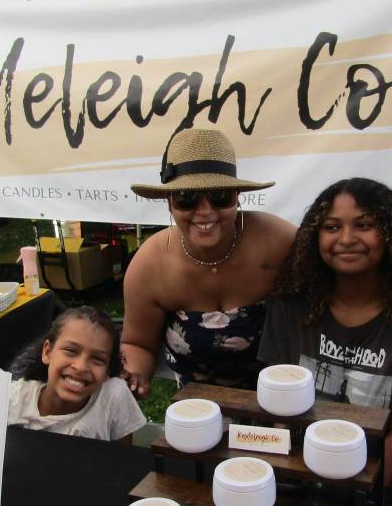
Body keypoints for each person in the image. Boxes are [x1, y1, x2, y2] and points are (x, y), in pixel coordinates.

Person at [258, 177, 392, 501]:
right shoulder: (289, 305)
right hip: (307, 467)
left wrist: (346, 502)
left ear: (391, 233)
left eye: (364, 225)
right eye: (332, 227)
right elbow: (281, 416)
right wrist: (302, 483)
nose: (347, 239)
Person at [121, 128, 296, 397]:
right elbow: (138, 343)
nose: (205, 211)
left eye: (219, 195)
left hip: (278, 402)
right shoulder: (150, 265)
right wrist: (133, 379)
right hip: (196, 409)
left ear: (237, 197)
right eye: (186, 198)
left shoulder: (279, 242)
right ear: (169, 203)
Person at [8, 306, 146, 442]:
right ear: (47, 352)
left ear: (107, 371)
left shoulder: (112, 397)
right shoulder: (11, 401)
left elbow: (123, 455)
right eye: (71, 351)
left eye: (98, 359)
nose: (81, 367)